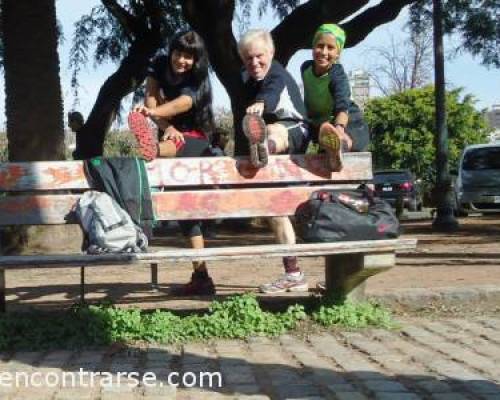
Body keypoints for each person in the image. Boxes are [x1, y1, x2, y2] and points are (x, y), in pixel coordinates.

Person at [127, 30, 216, 296]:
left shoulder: (198, 79)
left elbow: (182, 104)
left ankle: (152, 149)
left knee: (172, 147)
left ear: (195, 59)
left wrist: (154, 114)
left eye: (188, 57)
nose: (181, 60)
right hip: (171, 133)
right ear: (171, 51)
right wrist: (163, 124)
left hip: (197, 140)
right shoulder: (159, 63)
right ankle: (202, 277)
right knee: (187, 215)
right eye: (178, 53)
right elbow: (151, 98)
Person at [238, 29, 310, 294]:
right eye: (248, 59)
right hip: (274, 155)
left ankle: (263, 147)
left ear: (271, 54)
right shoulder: (248, 81)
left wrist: (259, 105)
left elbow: (271, 93)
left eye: (259, 57)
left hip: (295, 131)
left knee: (274, 132)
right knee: (275, 210)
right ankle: (294, 273)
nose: (254, 63)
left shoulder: (276, 73)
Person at [301, 23, 370, 171]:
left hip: (345, 118)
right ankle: (332, 149)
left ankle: (341, 148)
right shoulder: (305, 68)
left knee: (349, 135)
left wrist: (339, 130)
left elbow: (342, 105)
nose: (324, 52)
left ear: (338, 53)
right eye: (320, 46)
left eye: (330, 48)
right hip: (321, 123)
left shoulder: (337, 75)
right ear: (313, 47)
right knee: (320, 139)